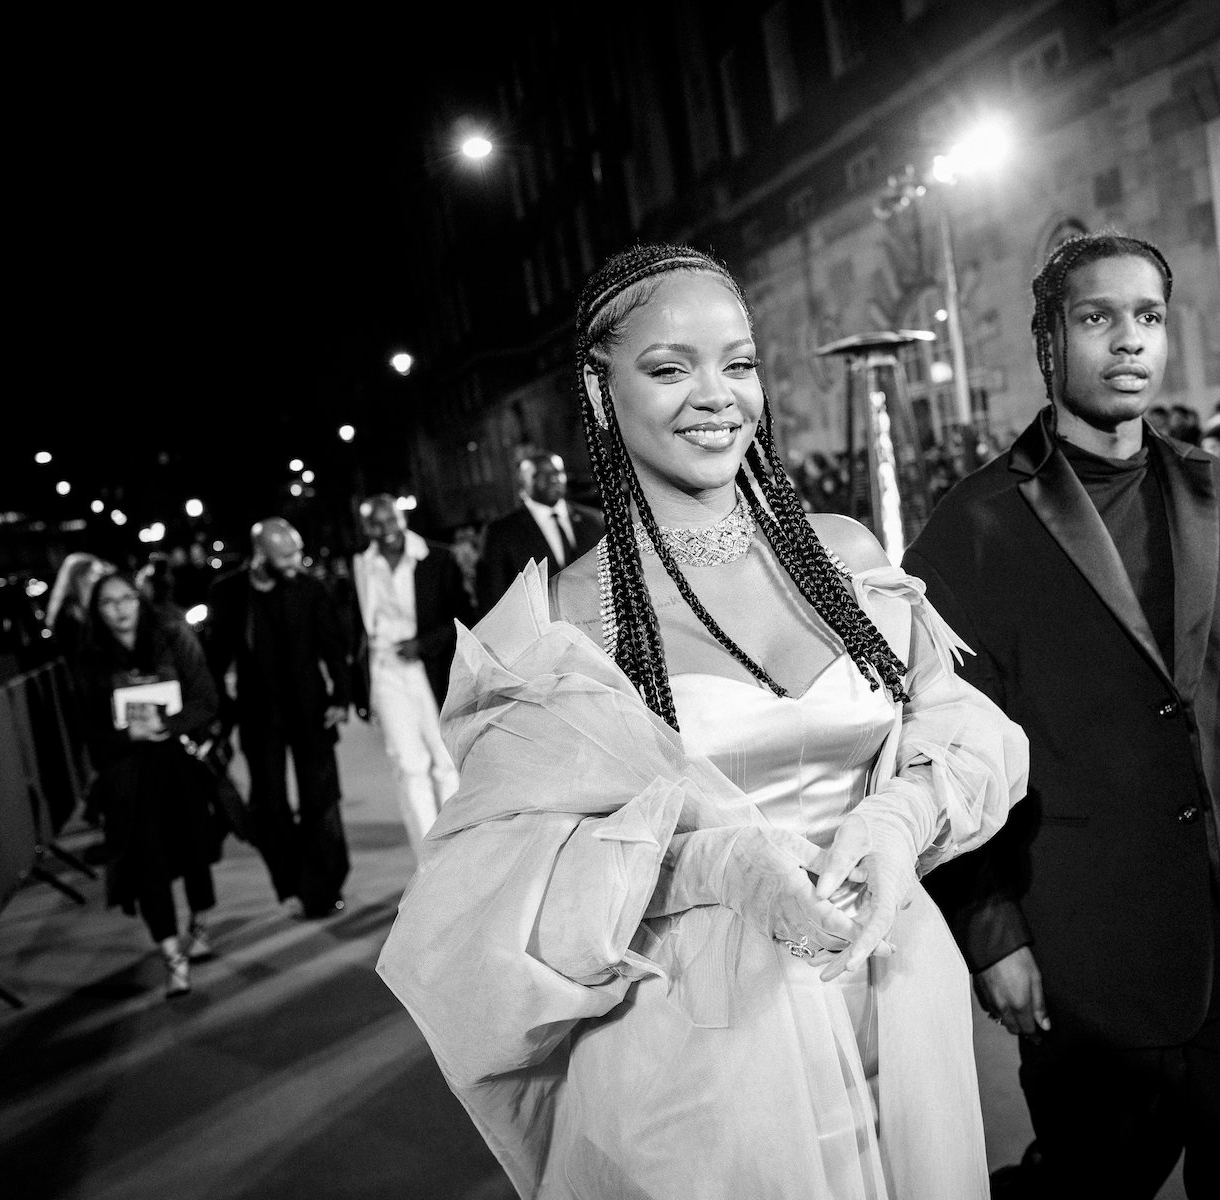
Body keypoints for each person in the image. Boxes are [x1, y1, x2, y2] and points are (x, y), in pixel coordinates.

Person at [378, 244, 1028, 1199]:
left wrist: (902, 817)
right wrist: (709, 867)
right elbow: (495, 896)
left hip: (895, 997)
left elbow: (960, 728)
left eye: (739, 362)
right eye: (670, 368)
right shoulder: (567, 620)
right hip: (703, 1053)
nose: (717, 395)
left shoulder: (844, 556)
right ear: (599, 391)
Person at [904, 231, 1220, 1199]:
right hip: (1090, 969)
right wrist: (992, 932)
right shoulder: (972, 529)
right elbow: (940, 753)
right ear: (1049, 341)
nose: (1129, 339)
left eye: (1149, 317)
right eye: (1098, 317)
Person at [76, 572, 222, 997]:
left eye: (127, 598)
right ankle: (172, 956)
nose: (120, 608)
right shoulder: (89, 657)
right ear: (96, 611)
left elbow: (206, 700)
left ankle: (200, 924)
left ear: (140, 601)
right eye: (109, 602)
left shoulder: (172, 638)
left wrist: (168, 724)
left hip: (180, 765)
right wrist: (127, 734)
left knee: (195, 853)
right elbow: (85, 726)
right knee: (147, 866)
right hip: (127, 776)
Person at [204, 518, 353, 918]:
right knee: (270, 805)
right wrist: (222, 712)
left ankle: (325, 888)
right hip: (257, 714)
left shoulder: (310, 588)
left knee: (321, 800)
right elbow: (215, 658)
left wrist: (341, 695)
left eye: (296, 552)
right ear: (260, 555)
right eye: (285, 556)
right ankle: (289, 885)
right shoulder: (228, 592)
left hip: (311, 709)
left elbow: (333, 645)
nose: (294, 562)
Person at [351, 494, 474, 857]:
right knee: (408, 766)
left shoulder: (437, 558)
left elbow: (463, 617)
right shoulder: (361, 566)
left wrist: (423, 644)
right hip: (385, 672)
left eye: (390, 520)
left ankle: (456, 847)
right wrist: (358, 692)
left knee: (444, 760)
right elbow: (356, 634)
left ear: (402, 519)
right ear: (366, 528)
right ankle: (428, 856)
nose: (385, 529)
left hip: (429, 668)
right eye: (375, 523)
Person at [474, 450, 606, 610]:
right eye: (541, 474)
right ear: (523, 480)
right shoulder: (501, 531)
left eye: (558, 472)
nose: (553, 478)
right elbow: (493, 596)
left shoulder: (594, 520)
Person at [44, 551, 113, 655]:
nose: (102, 578)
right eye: (98, 574)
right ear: (80, 576)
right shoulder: (66, 613)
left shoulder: (98, 602)